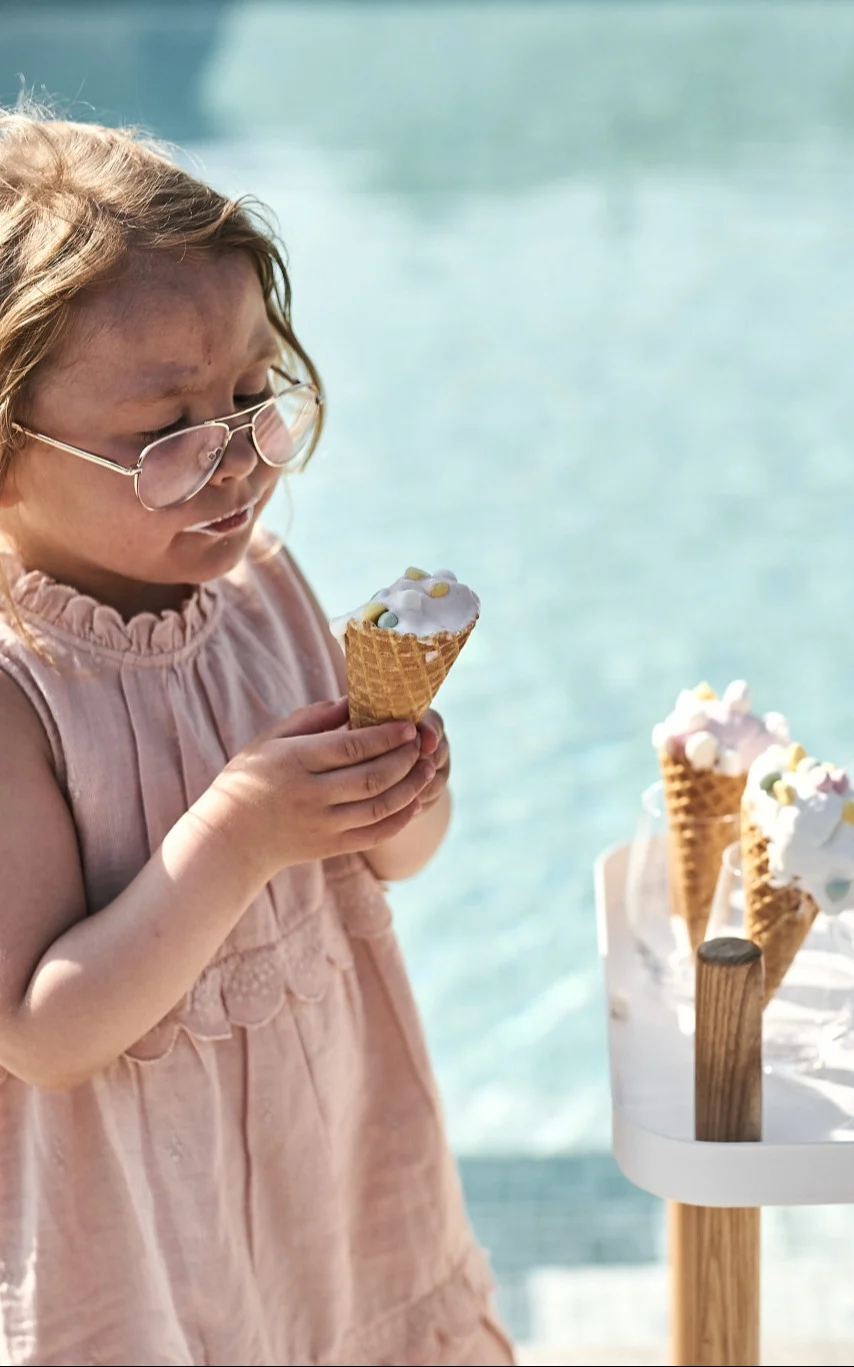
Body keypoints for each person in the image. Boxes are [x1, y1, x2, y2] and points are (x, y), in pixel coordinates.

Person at [0, 108, 514, 1367]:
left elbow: (386, 865)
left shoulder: (265, 590)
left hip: (327, 1186)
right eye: (169, 434)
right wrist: (236, 833)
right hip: (134, 1234)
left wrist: (396, 784)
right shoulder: (19, 690)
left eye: (253, 399)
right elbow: (43, 1028)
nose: (235, 462)